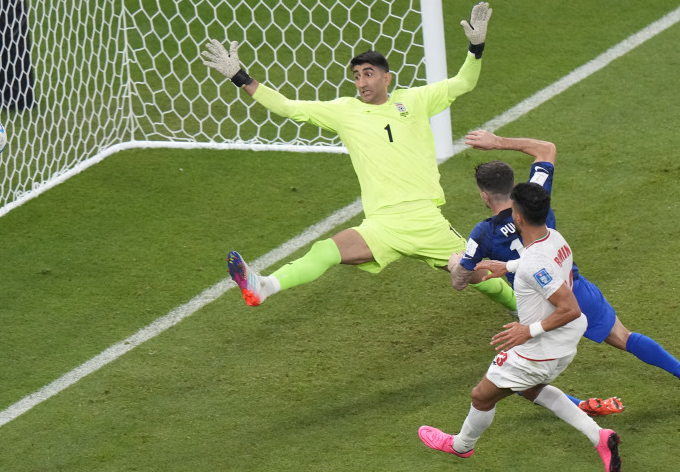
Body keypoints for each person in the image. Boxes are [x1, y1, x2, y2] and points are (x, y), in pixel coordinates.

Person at [199, 3, 516, 313]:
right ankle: (264, 286)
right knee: (326, 250)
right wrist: (239, 76)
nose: (362, 82)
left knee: (478, 276)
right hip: (381, 224)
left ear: (386, 78)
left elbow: (464, 82)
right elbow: (288, 107)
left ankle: (523, 310)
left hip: (423, 220)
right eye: (356, 76)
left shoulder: (415, 100)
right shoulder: (344, 111)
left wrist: (475, 48)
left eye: (368, 74)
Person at [449, 129, 680, 406]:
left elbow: (464, 280)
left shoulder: (483, 234)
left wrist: (456, 266)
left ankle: (582, 406)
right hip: (574, 289)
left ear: (484, 196)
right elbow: (546, 148)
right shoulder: (535, 198)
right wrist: (497, 142)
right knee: (624, 337)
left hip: (538, 310)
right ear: (512, 186)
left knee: (516, 379)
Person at [419, 182, 621, 472]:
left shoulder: (534, 263)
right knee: (531, 389)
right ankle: (600, 437)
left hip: (540, 348)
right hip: (564, 342)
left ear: (518, 217)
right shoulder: (554, 238)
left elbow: (570, 307)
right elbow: (539, 266)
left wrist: (528, 330)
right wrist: (509, 266)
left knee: (481, 396)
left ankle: (461, 446)